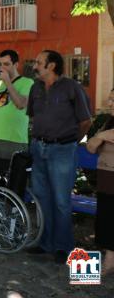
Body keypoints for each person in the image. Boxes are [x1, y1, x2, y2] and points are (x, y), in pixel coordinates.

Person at [26, 50, 91, 263]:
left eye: (38, 62)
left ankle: (63, 247)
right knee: (42, 198)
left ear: (52, 66)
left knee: (61, 201)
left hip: (62, 150)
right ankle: (45, 243)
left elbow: (85, 121)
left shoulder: (72, 87)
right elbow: (33, 118)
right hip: (38, 149)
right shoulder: (35, 88)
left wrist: (70, 142)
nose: (34, 65)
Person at [0, 49, 34, 158]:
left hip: (15, 141)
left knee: (14, 174)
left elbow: (20, 104)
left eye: (6, 64)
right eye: (0, 64)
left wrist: (8, 82)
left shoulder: (27, 82)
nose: (2, 67)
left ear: (16, 65)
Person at [86, 88, 114, 275]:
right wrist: (101, 136)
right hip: (106, 178)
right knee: (106, 218)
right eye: (110, 99)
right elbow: (90, 147)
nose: (110, 103)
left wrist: (101, 138)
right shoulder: (108, 122)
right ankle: (110, 259)